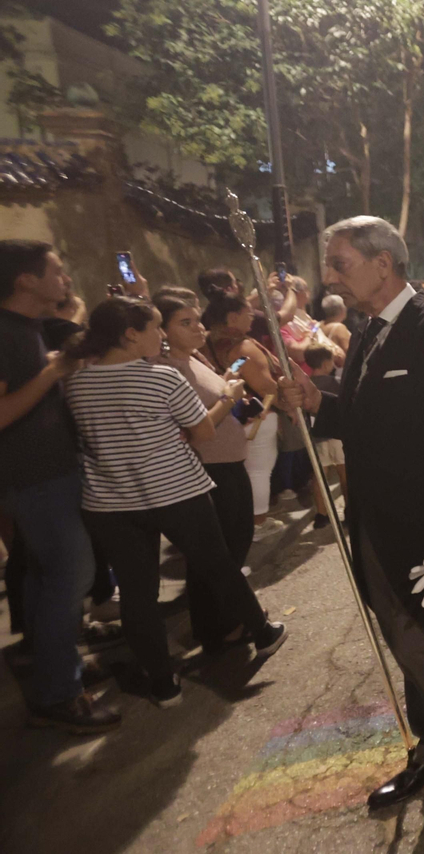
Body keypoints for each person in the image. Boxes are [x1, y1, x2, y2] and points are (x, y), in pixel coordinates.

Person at [287, 215, 424, 813]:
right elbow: (365, 420)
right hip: (374, 523)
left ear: (384, 264)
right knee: (402, 637)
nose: (331, 275)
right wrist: (317, 402)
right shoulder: (367, 332)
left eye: (341, 263)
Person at [64, 297, 286, 707]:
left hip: (111, 501)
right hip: (175, 490)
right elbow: (202, 430)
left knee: (137, 593)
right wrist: (231, 393)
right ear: (131, 335)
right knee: (218, 564)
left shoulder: (78, 381)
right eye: (155, 328)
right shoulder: (160, 378)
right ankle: (263, 632)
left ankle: (163, 683)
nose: (161, 336)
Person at [0, 240, 119, 733]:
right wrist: (53, 370)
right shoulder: (5, 333)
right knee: (70, 575)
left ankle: (53, 661)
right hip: (34, 478)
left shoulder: (25, 329)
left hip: (48, 473)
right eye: (57, 270)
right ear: (26, 280)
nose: (66, 280)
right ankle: (57, 694)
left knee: (47, 575)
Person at [156, 295, 265, 650]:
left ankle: (219, 623)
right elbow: (192, 430)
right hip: (208, 468)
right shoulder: (167, 368)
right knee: (221, 553)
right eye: (184, 323)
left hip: (228, 462)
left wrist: (237, 403)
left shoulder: (194, 358)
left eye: (196, 320)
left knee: (231, 546)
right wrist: (230, 398)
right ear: (162, 330)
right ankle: (221, 627)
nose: (198, 328)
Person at [200, 295, 284, 538]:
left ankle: (240, 525)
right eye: (248, 313)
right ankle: (257, 524)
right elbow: (268, 388)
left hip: (219, 417)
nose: (251, 318)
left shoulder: (202, 344)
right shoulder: (244, 347)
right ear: (233, 317)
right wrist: (291, 408)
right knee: (259, 471)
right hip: (254, 416)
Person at [302, 345, 346, 529]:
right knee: (344, 474)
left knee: (320, 476)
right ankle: (350, 511)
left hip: (317, 435)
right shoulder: (335, 381)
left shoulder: (307, 385)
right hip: (336, 434)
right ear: (327, 363)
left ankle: (322, 515)